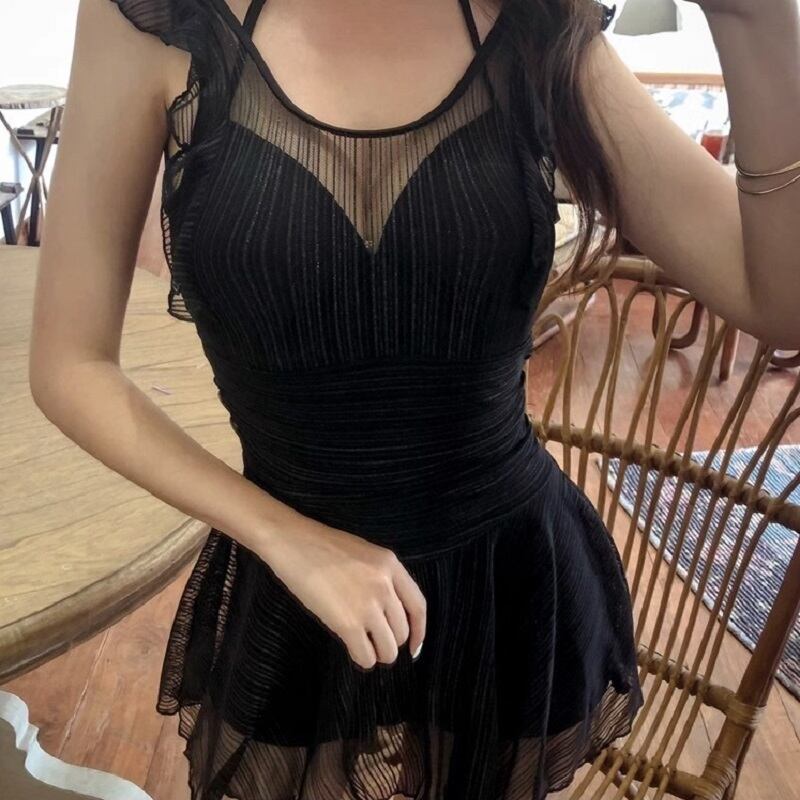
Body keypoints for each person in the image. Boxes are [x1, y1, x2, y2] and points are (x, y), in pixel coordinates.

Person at [28, 0, 800, 798]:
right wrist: (284, 536)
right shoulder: (154, 22)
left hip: (508, 584)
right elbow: (70, 365)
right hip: (291, 585)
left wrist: (759, 22)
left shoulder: (538, 25)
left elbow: (779, 300)